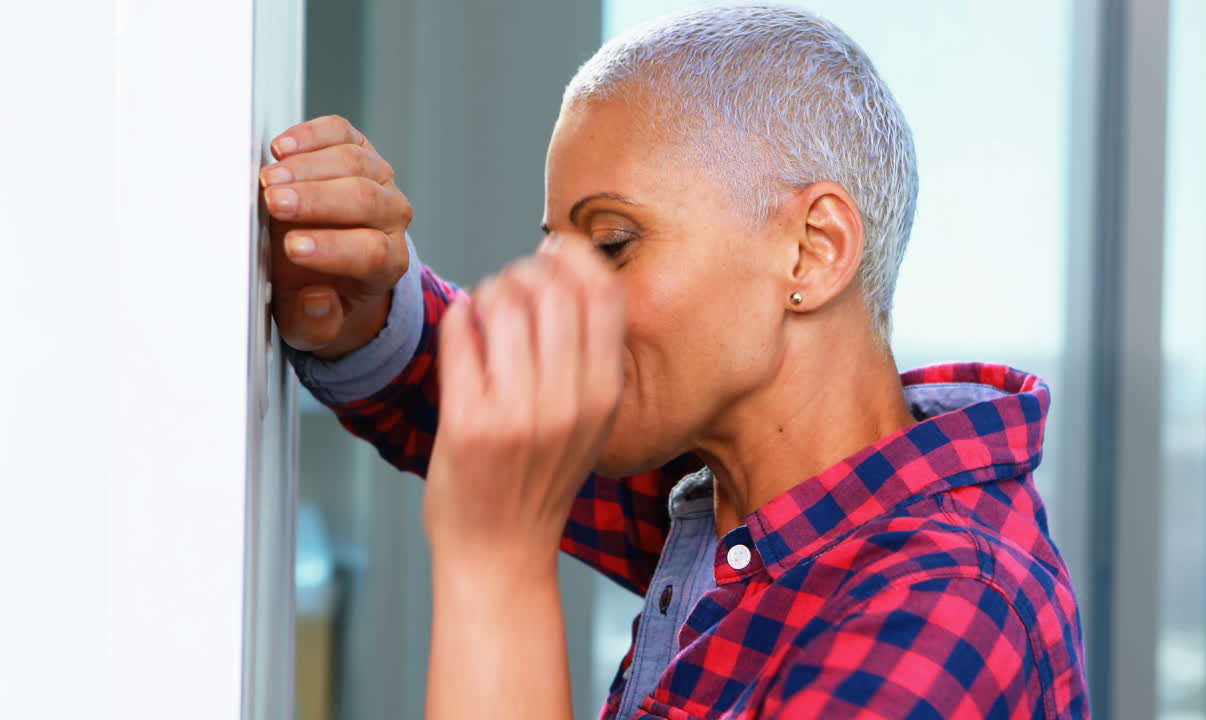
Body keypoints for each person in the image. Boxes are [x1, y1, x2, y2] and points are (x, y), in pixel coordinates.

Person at [265, 4, 1089, 718]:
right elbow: (500, 400)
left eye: (612, 241)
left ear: (812, 252)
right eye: (553, 244)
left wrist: (498, 564)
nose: (554, 291)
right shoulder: (727, 497)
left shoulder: (945, 609)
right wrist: (365, 307)